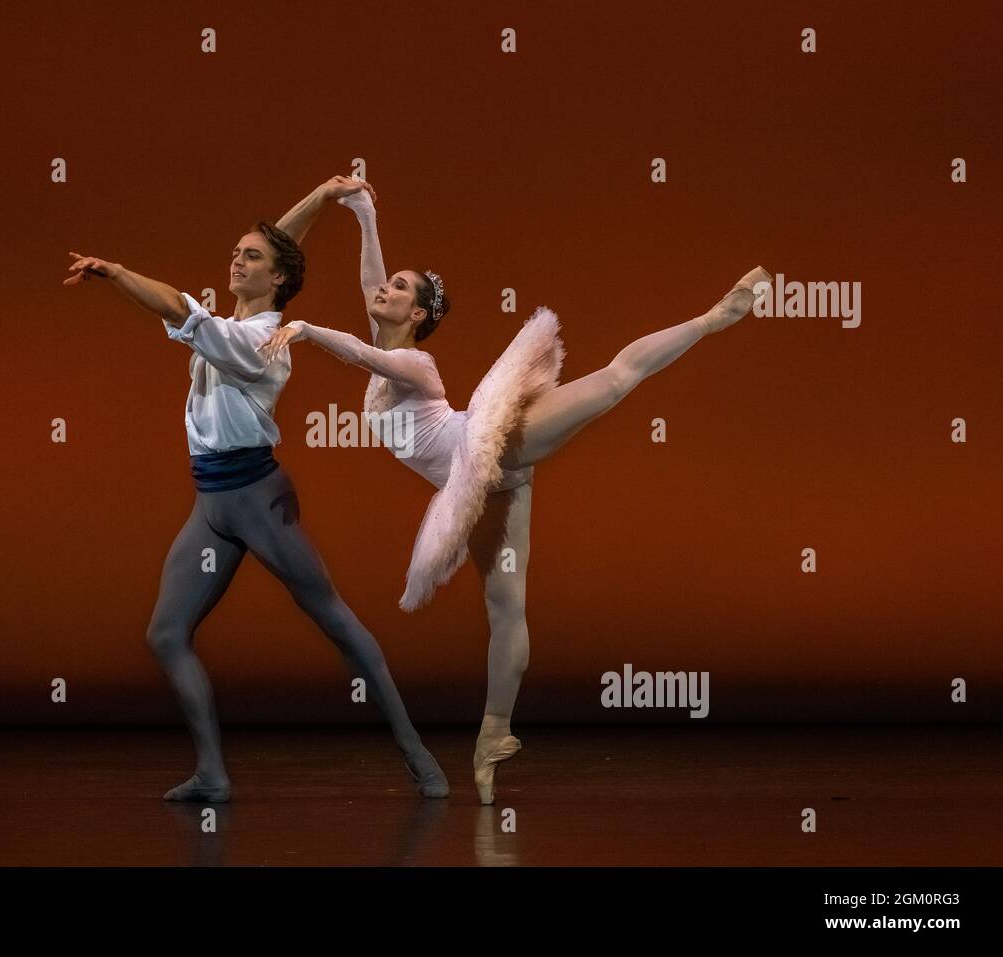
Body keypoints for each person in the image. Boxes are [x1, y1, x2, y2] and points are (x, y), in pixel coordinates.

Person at [267, 180, 769, 803]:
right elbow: (370, 294)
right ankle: (493, 737)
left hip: (492, 444)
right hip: (482, 486)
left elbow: (369, 359)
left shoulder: (414, 366)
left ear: (418, 315)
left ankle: (714, 317)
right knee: (506, 612)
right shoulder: (382, 333)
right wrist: (366, 215)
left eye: (400, 288)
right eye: (387, 284)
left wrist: (310, 331)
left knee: (615, 378)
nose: (383, 289)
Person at [62, 195, 448, 802]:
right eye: (234, 254)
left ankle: (414, 751)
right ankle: (213, 774)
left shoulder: (260, 341)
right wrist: (321, 197)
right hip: (211, 502)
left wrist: (115, 272)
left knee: (335, 621)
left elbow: (177, 306)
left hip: (257, 499)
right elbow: (277, 244)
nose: (236, 262)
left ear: (279, 279)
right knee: (166, 634)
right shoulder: (239, 322)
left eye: (251, 259)